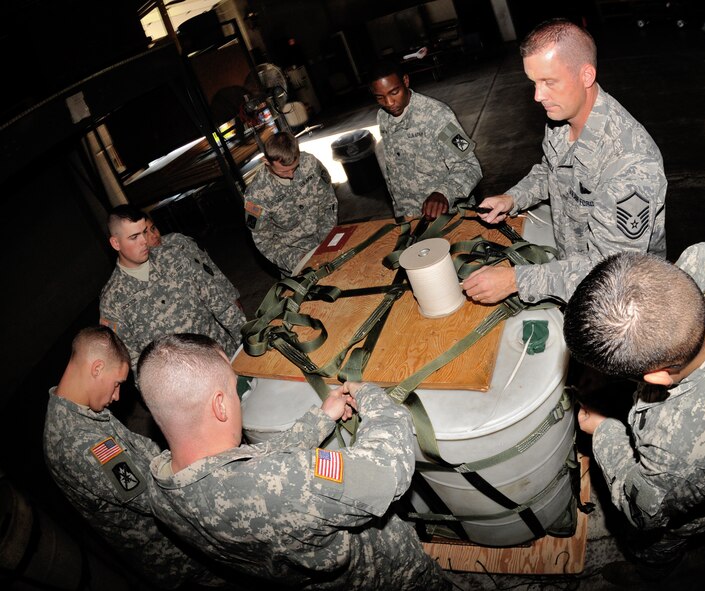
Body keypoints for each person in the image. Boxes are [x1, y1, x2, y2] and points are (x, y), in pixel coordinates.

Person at [138, 333, 449, 590]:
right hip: (384, 574)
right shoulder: (285, 483)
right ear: (220, 405)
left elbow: (256, 465)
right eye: (233, 389)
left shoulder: (161, 490)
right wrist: (372, 398)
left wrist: (319, 420)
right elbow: (387, 472)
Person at [562, 243, 705, 581]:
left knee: (656, 544)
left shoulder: (680, 448)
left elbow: (644, 512)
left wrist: (605, 429)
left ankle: (652, 572)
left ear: (657, 377)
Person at [464, 19, 667, 304]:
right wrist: (512, 198)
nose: (538, 96)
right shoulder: (561, 117)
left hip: (619, 304)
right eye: (533, 83)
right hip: (569, 271)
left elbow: (613, 273)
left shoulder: (631, 164)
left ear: (586, 76)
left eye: (548, 82)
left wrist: (516, 280)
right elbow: (552, 171)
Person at [42, 326, 222, 589]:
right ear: (96, 368)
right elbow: (153, 495)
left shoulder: (75, 408)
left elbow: (140, 451)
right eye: (117, 384)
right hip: (174, 555)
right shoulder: (80, 442)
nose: (116, 396)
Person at [99, 204, 245, 369]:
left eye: (144, 232)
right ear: (116, 243)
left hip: (225, 358)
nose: (144, 241)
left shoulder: (175, 256)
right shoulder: (112, 301)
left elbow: (221, 304)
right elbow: (133, 363)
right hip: (183, 386)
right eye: (134, 237)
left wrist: (247, 342)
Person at [369, 59, 482, 220]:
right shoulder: (383, 117)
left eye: (394, 92)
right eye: (380, 97)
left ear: (406, 81)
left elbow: (470, 166)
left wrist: (443, 193)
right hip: (410, 217)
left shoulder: (438, 115)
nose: (389, 103)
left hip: (448, 216)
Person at [243, 131, 338, 275]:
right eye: (283, 171)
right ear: (266, 162)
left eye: (294, 167)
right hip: (295, 259)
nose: (291, 175)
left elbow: (328, 202)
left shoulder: (310, 163)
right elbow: (264, 242)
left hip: (326, 240)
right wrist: (299, 261)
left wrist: (327, 242)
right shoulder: (256, 195)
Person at [143, 211, 242, 311]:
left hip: (219, 304)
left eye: (153, 228)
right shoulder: (143, 268)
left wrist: (232, 296)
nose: (154, 235)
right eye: (145, 233)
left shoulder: (177, 241)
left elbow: (209, 268)